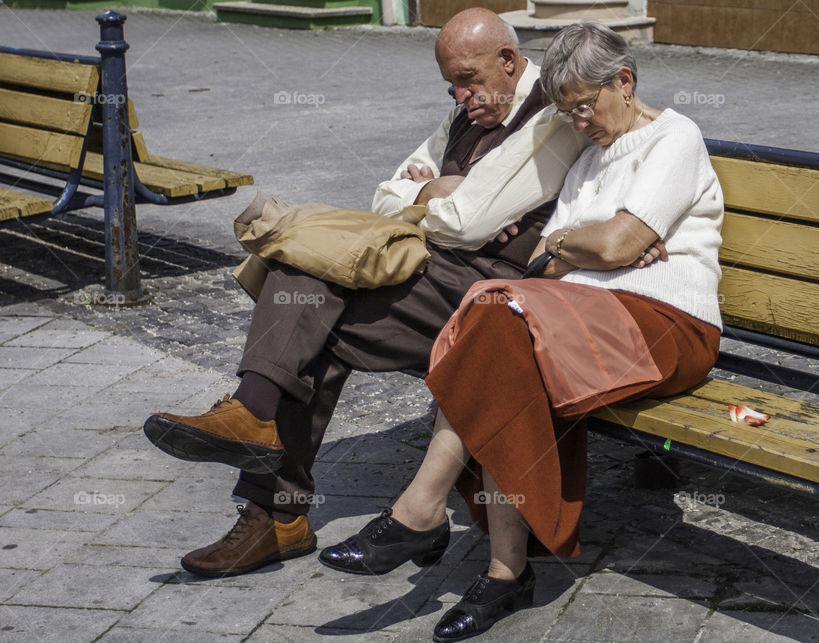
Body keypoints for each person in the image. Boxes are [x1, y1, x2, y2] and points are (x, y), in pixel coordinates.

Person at [142, 7, 584, 578]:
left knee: (310, 285)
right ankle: (274, 514)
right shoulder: (466, 112)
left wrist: (429, 198)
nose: (460, 93)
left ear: (508, 60)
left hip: (491, 299)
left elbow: (472, 223)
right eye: (450, 82)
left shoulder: (547, 116)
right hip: (430, 275)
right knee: (309, 313)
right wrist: (436, 193)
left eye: (469, 78)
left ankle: (259, 444)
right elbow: (385, 195)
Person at [318, 23, 724, 641]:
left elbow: (616, 244)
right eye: (566, 112)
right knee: (494, 328)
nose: (580, 123)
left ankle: (425, 514)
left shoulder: (675, 138)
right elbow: (549, 262)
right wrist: (582, 246)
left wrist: (594, 245)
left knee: (498, 322)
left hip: (670, 323)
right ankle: (502, 573)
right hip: (582, 315)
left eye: (586, 106)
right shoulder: (588, 155)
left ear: (626, 80)